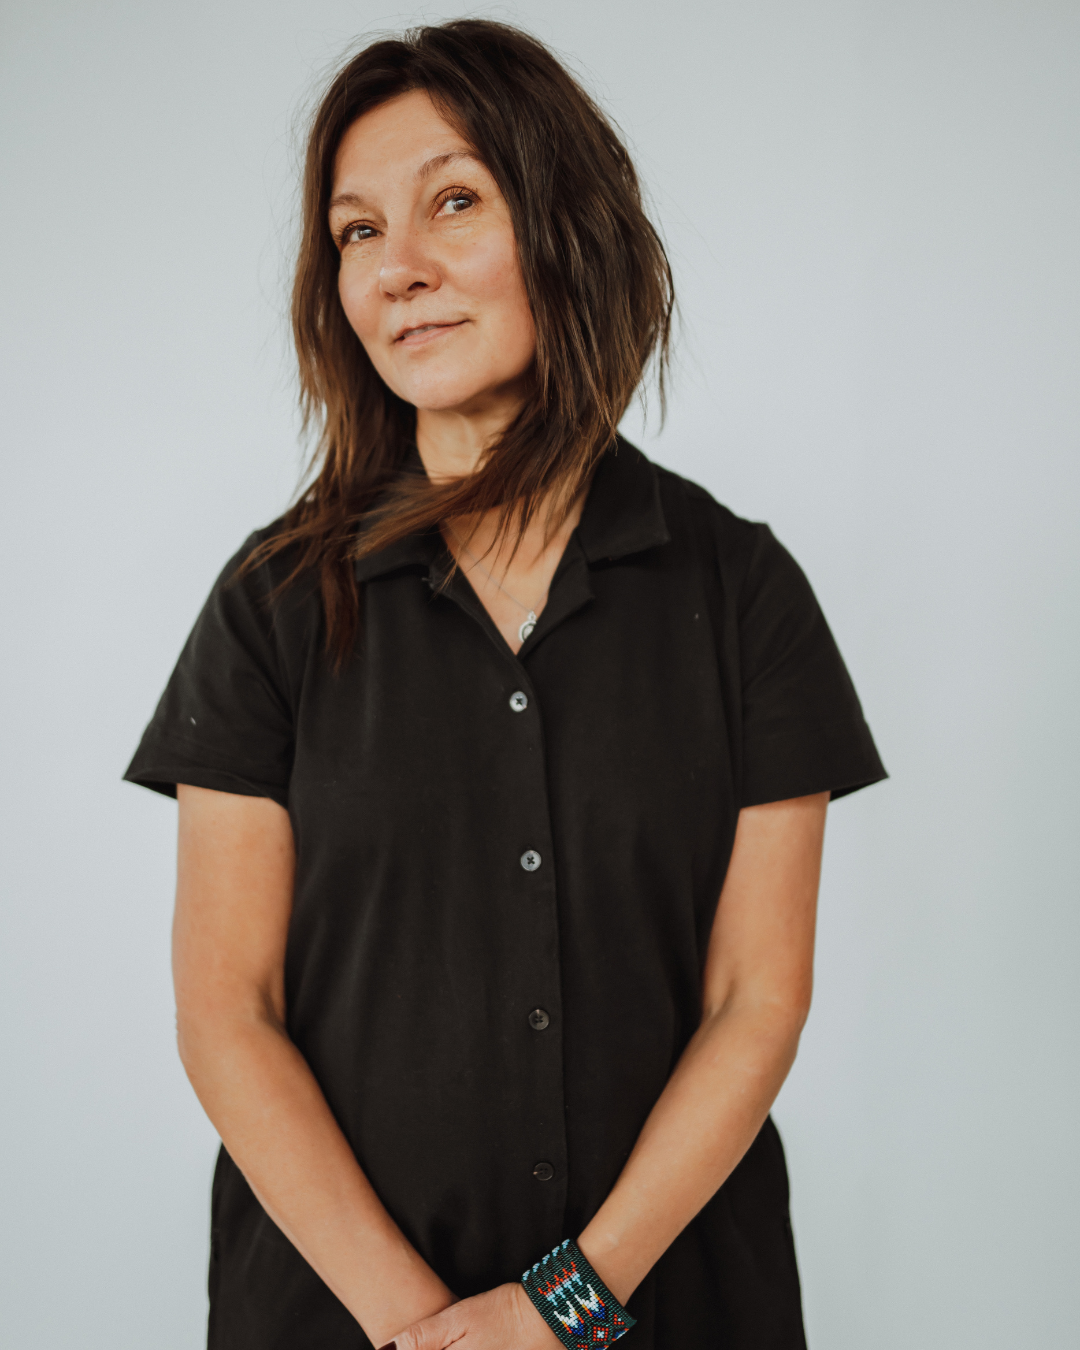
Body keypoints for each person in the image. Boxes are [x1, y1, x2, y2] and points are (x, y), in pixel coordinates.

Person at [125, 18, 886, 1350]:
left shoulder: (743, 591)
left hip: (674, 1307)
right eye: (358, 231)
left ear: (568, 227)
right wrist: (425, 1332)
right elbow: (225, 1014)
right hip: (335, 1316)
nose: (398, 268)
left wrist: (561, 1312)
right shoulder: (271, 604)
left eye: (455, 202)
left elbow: (754, 1002)